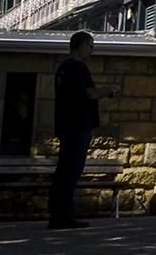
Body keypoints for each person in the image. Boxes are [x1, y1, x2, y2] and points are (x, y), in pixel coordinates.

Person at [49, 31, 121, 230]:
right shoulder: (77, 67)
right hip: (78, 124)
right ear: (81, 45)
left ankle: (57, 214)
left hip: (65, 124)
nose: (92, 50)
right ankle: (64, 216)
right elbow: (89, 93)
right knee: (71, 171)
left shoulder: (63, 68)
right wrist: (109, 90)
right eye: (90, 46)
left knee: (63, 171)